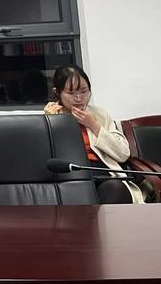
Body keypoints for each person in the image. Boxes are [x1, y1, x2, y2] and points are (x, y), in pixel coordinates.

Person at [44, 64, 143, 204]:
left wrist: (94, 125)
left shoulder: (100, 114)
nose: (79, 98)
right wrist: (54, 122)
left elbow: (123, 154)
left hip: (99, 171)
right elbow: (45, 159)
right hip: (68, 173)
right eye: (71, 93)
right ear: (57, 92)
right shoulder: (50, 117)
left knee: (115, 188)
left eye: (84, 91)